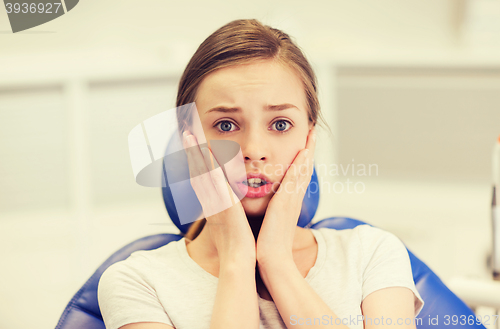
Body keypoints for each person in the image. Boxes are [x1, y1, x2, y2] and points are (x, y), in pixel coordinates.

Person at [97, 18, 424, 329]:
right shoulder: (136, 282)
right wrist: (237, 259)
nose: (253, 149)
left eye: (280, 124)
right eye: (225, 125)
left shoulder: (372, 252)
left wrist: (276, 262)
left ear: (310, 134)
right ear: (189, 139)